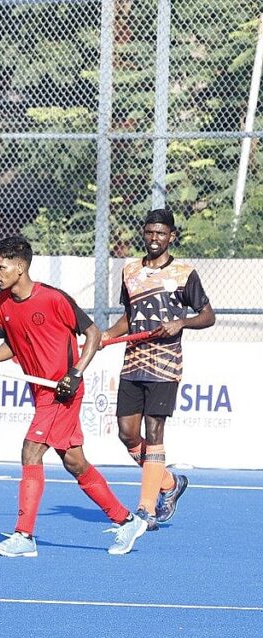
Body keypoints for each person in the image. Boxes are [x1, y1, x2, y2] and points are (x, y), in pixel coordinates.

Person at [0, 235, 147, 557]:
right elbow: (13, 345)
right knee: (75, 462)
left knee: (30, 452)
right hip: (40, 391)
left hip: (63, 392)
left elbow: (92, 333)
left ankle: (24, 535)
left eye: (1, 267)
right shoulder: (0, 303)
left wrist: (75, 373)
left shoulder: (53, 298)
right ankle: (127, 520)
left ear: (20, 267)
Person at [101, 209, 214, 529]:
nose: (155, 238)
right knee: (127, 434)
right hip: (133, 363)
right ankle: (169, 483)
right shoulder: (130, 271)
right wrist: (107, 335)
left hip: (165, 365)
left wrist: (182, 322)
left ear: (171, 237)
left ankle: (146, 509)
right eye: (150, 232)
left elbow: (208, 316)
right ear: (144, 233)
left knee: (154, 432)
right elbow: (130, 316)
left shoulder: (184, 273)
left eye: (161, 233)